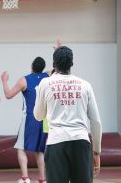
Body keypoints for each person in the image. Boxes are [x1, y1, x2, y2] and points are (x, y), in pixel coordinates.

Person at [34, 46, 102, 183]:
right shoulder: (85, 85)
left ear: (53, 64)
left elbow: (38, 115)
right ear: (72, 63)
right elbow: (96, 121)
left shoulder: (45, 83)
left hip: (56, 143)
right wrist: (96, 152)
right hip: (81, 142)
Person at [1, 57, 48, 183]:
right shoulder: (48, 76)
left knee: (20, 148)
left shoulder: (24, 80)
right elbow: (58, 69)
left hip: (30, 118)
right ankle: (43, 179)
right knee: (40, 150)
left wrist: (4, 81)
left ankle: (25, 178)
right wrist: (58, 50)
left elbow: (8, 95)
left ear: (32, 65)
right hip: (45, 119)